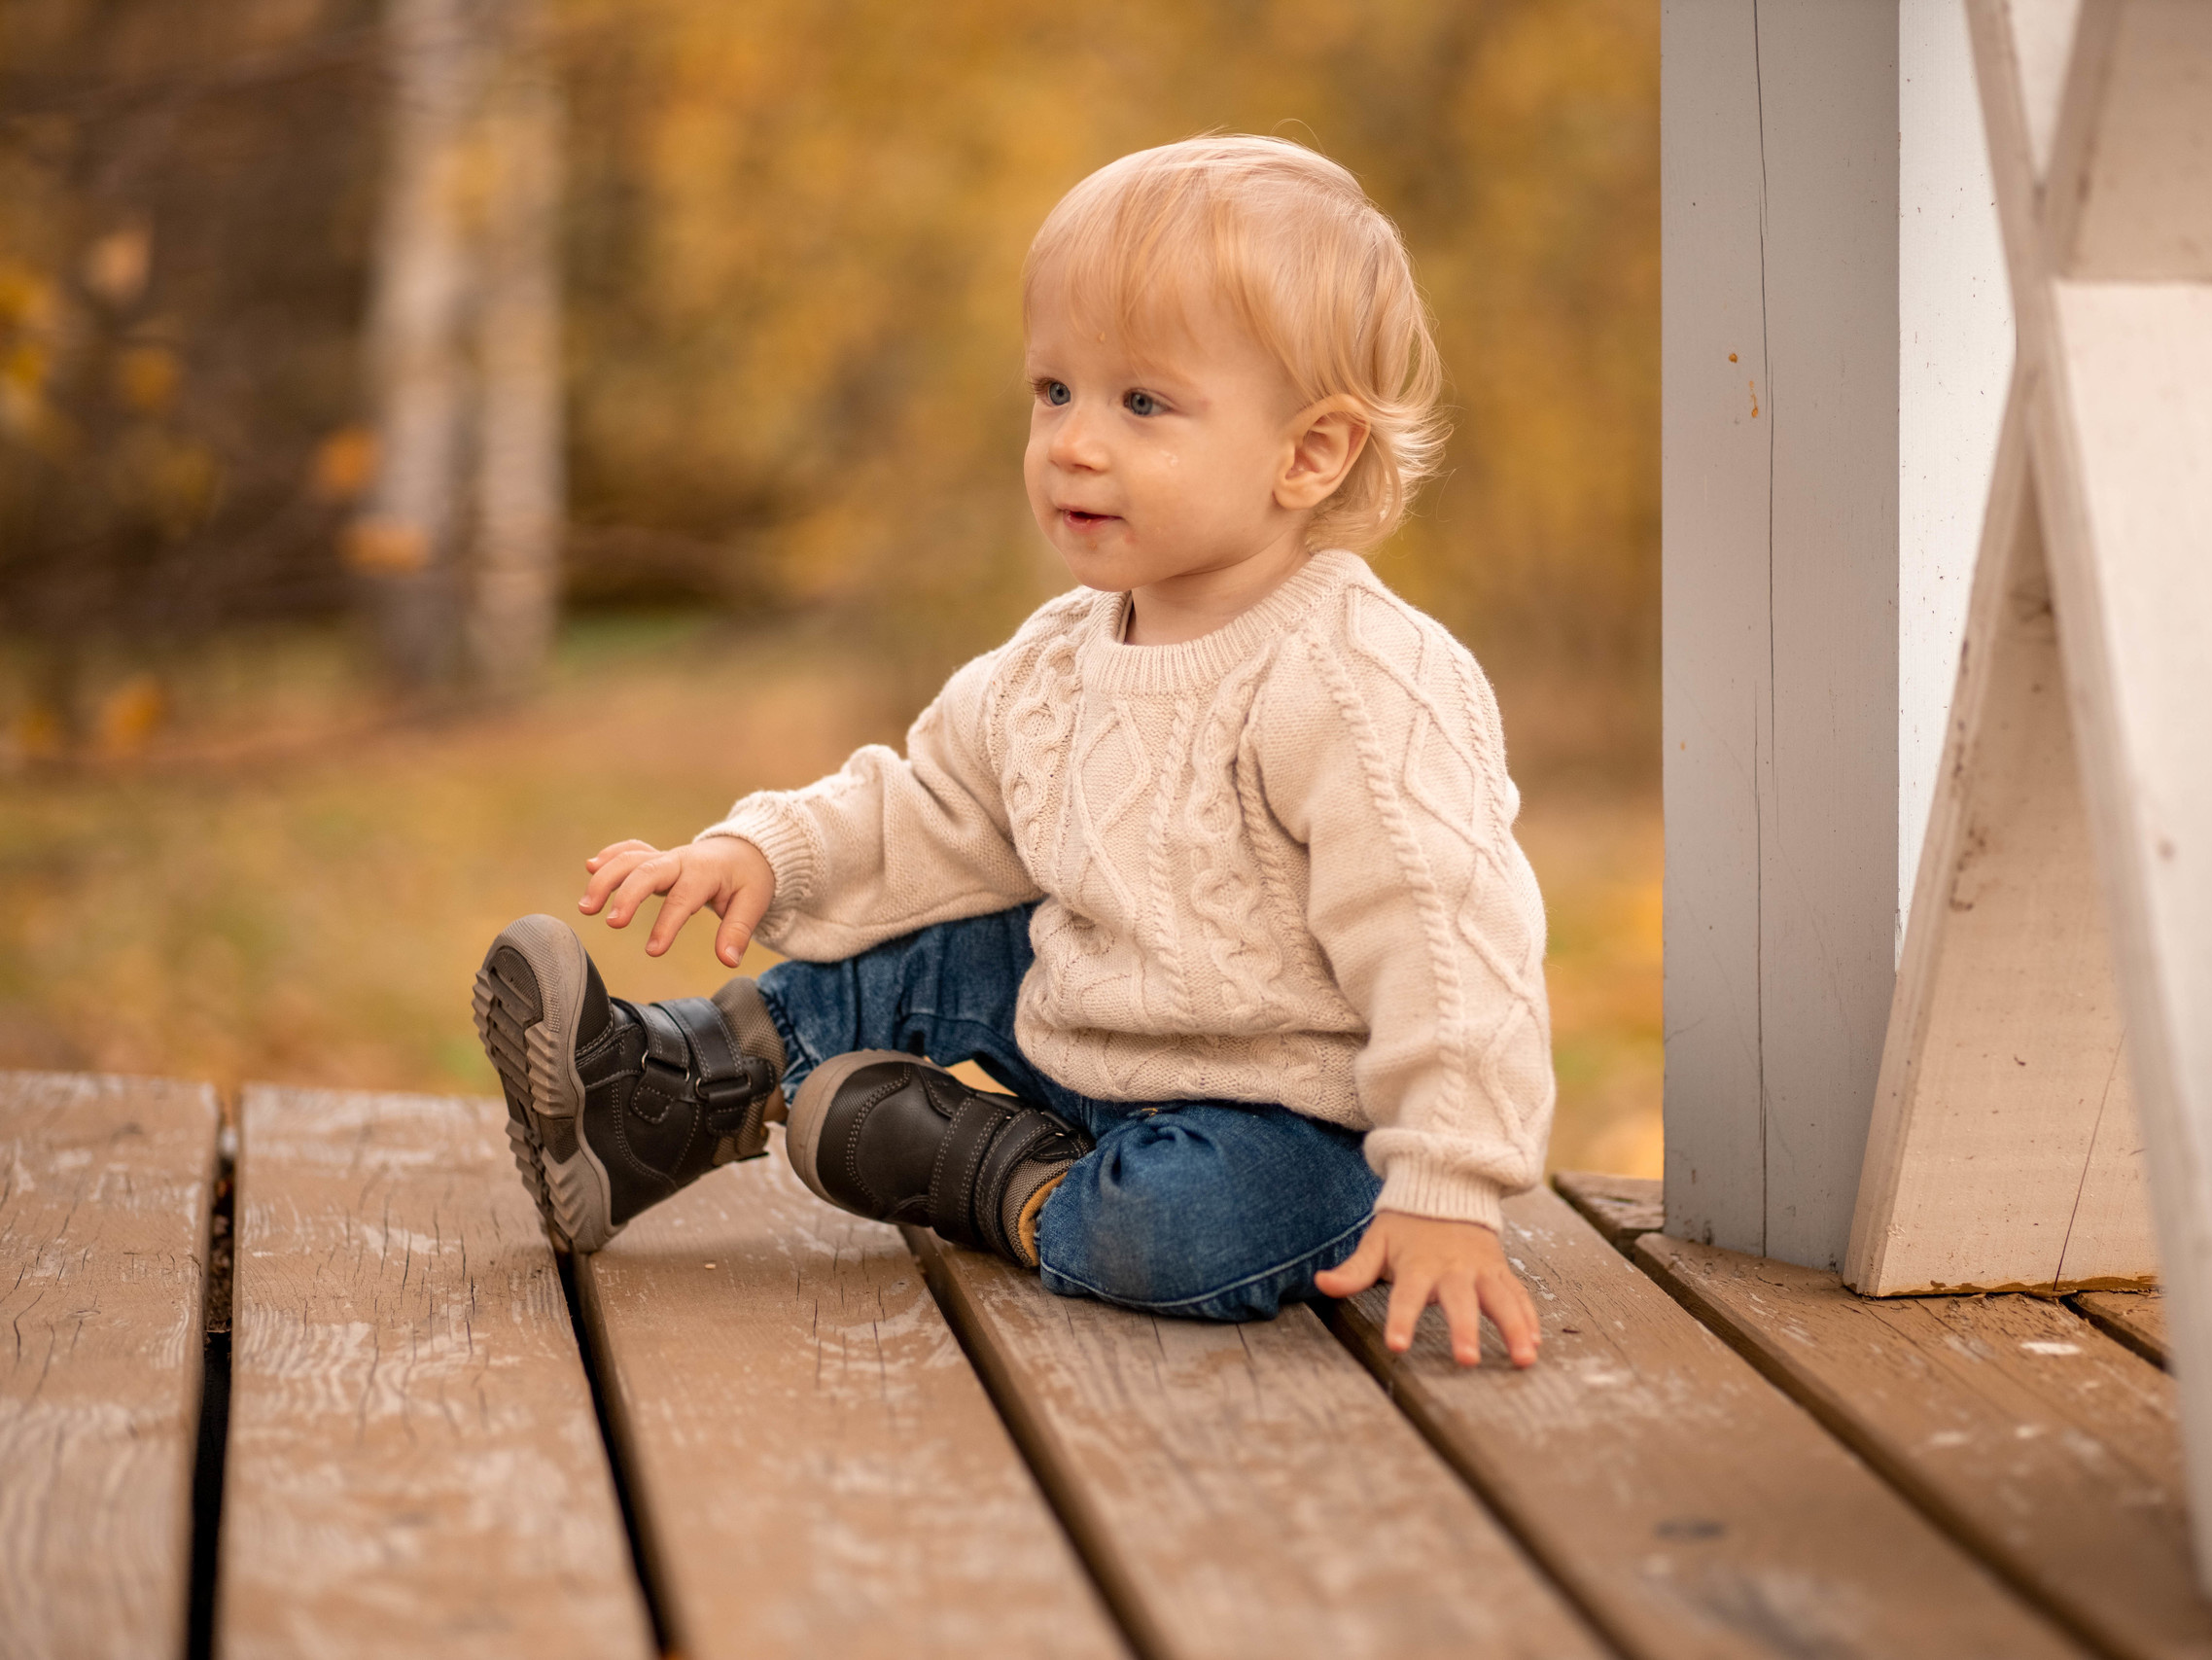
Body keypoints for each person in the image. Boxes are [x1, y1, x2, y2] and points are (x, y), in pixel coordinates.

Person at [472, 134, 1553, 1367]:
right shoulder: (1057, 656)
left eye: (1142, 403)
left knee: (1181, 1226)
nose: (1075, 444)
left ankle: (1001, 1183)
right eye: (1055, 392)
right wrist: (764, 851)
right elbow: (933, 809)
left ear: (1309, 452)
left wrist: (1449, 1185)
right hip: (1091, 1043)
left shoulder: (1355, 678)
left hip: (1296, 1129)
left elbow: (1447, 935)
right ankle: (661, 1097)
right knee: (943, 933)